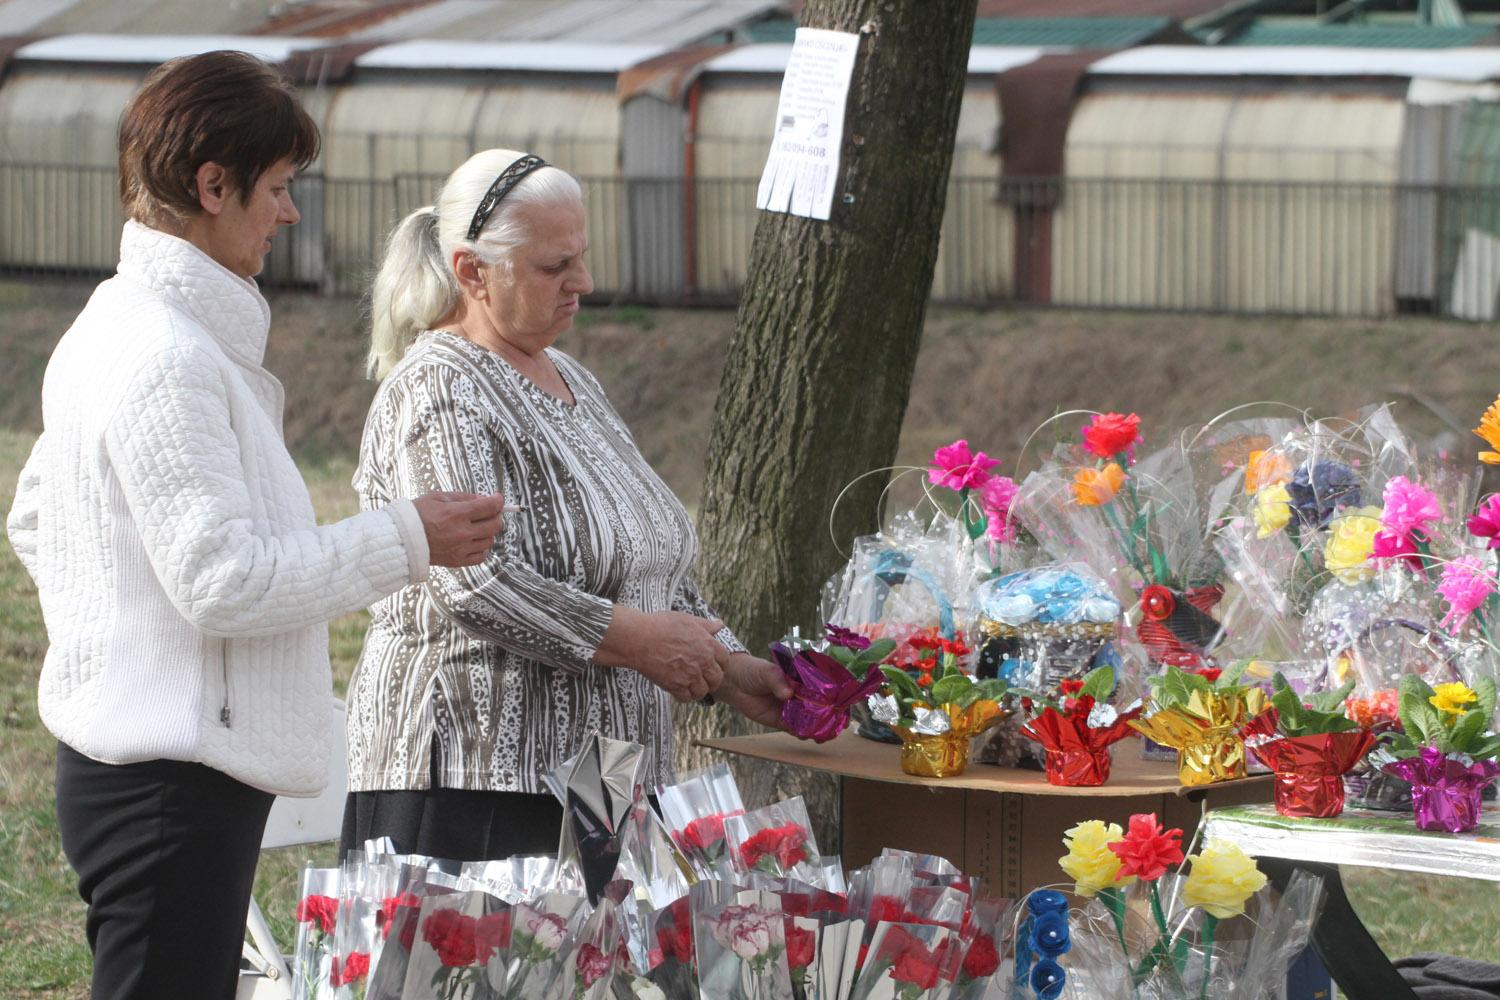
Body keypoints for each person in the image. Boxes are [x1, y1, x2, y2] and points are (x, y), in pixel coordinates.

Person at [4, 52, 507, 1000]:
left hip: (160, 771)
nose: (289, 213)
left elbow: (39, 518)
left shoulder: (123, 325)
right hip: (169, 785)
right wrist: (409, 537)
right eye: (277, 188)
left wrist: (125, 647)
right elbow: (224, 581)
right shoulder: (165, 355)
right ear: (212, 184)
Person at [341, 148, 790, 861]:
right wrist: (642, 643)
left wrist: (732, 671)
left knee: (591, 972)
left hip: (601, 773)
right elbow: (475, 582)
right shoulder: (440, 387)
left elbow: (645, 563)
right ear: (471, 272)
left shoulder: (573, 380)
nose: (583, 282)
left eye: (580, 257)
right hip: (478, 774)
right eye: (555, 267)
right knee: (488, 974)